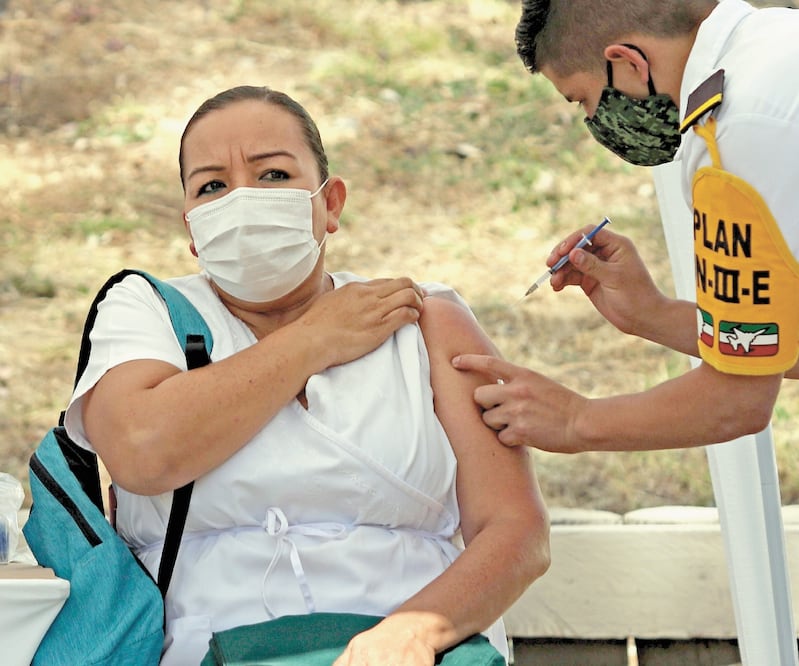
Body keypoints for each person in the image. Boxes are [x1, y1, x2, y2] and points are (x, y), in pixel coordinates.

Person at [62, 85, 550, 665]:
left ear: (330, 203)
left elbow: (516, 531)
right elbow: (142, 452)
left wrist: (412, 635)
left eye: (273, 175)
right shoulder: (148, 312)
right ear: (192, 227)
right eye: (212, 186)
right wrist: (314, 339)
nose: (243, 200)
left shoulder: (425, 320)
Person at [452, 0, 799, 453]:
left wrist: (575, 420)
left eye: (584, 99)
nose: (593, 121)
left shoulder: (732, 132)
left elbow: (737, 401)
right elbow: (772, 343)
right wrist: (653, 315)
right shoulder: (778, 41)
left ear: (628, 62)